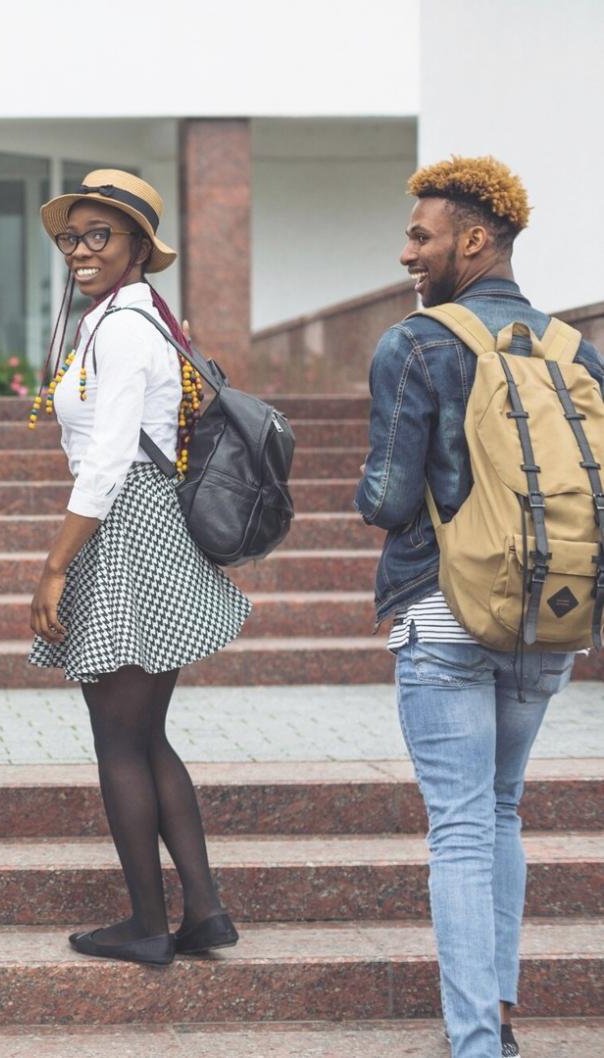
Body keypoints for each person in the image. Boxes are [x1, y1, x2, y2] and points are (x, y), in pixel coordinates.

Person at [356, 156, 604, 1058]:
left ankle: (475, 1045)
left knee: (459, 825)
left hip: (445, 612)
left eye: (421, 235)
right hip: (551, 615)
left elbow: (387, 500)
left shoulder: (417, 342)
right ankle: (496, 1011)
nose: (407, 252)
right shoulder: (577, 351)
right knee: (501, 811)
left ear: (473, 238)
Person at [27, 170, 250, 967]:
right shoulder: (127, 319)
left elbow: (110, 458)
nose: (81, 251)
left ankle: (148, 923)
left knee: (120, 740)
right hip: (141, 527)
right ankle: (205, 910)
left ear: (137, 249)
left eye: (99, 237)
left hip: (123, 529)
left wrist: (56, 566)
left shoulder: (124, 329)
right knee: (146, 735)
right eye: (71, 237)